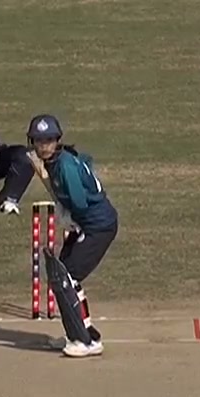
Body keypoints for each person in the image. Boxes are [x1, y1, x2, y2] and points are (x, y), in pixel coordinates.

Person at [25, 114, 118, 358]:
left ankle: (83, 341)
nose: (43, 146)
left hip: (97, 226)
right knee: (61, 275)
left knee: (67, 277)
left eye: (48, 140)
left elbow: (79, 202)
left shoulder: (64, 165)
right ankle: (84, 333)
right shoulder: (57, 161)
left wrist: (69, 218)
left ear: (57, 140)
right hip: (86, 223)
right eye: (38, 141)